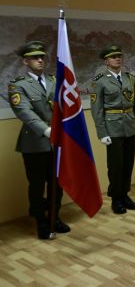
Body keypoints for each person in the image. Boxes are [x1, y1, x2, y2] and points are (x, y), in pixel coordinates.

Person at [9, 41, 70, 239]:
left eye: (42, 56)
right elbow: (24, 112)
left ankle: (54, 217)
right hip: (34, 143)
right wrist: (46, 130)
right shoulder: (18, 85)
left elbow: (65, 105)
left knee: (56, 183)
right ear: (25, 61)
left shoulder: (55, 80)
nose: (40, 60)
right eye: (35, 57)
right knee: (37, 185)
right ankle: (41, 222)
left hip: (57, 141)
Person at [89, 45, 135, 215]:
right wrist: (102, 132)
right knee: (115, 166)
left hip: (130, 126)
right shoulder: (99, 81)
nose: (117, 59)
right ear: (106, 61)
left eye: (119, 56)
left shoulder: (129, 79)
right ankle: (116, 198)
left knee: (128, 163)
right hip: (112, 128)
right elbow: (96, 110)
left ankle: (125, 194)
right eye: (113, 57)